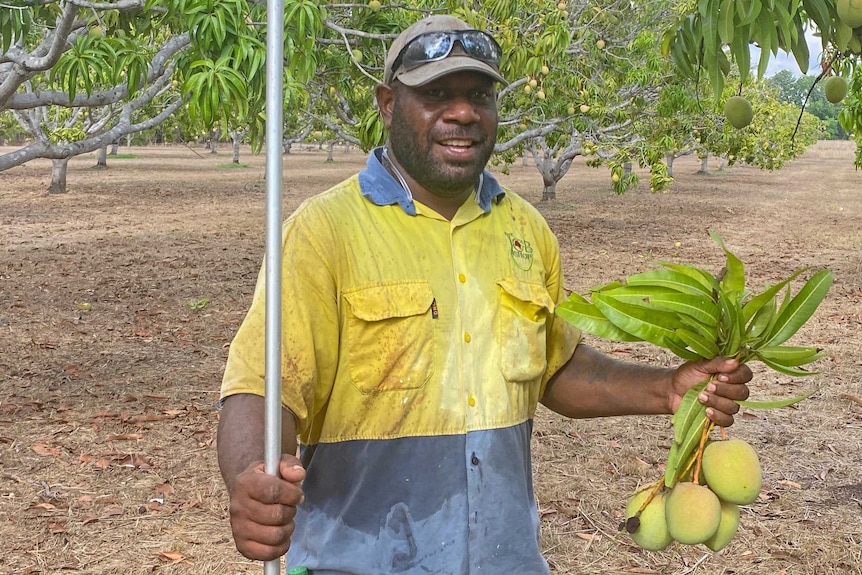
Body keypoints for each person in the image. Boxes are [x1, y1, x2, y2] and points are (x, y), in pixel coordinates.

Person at [217, 14, 752, 574]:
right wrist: (252, 475)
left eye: (479, 94)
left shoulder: (525, 230)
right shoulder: (324, 231)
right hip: (358, 561)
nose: (463, 112)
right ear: (387, 103)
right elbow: (262, 386)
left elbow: (555, 370)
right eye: (436, 94)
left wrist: (666, 388)